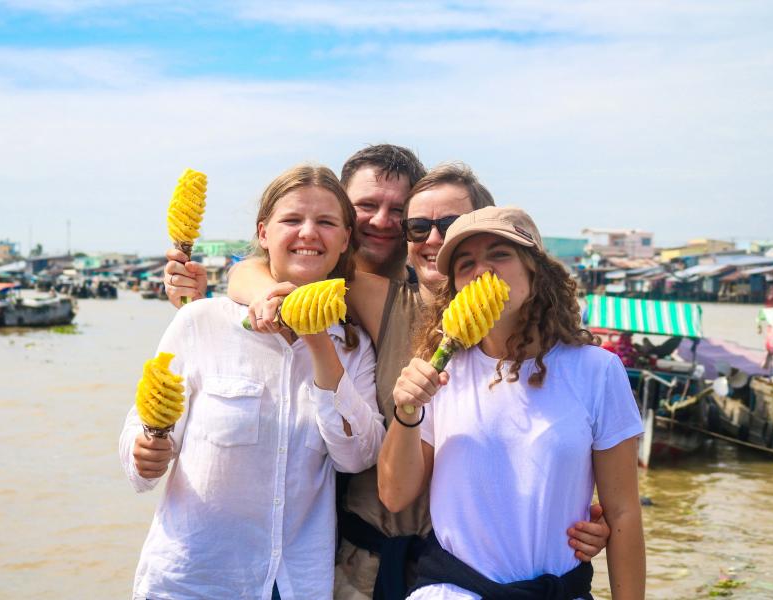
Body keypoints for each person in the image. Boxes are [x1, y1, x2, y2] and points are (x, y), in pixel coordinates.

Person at [164, 162, 612, 598]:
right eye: (417, 227)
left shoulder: (527, 340)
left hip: (474, 563)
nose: (433, 239)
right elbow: (273, 269)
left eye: (451, 225)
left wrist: (586, 513)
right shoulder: (383, 300)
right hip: (365, 555)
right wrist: (252, 293)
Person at [120, 165, 386, 600]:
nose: (308, 233)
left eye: (326, 223)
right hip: (195, 579)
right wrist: (144, 451)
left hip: (295, 582)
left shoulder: (354, 347)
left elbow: (357, 456)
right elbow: (142, 434)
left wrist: (318, 342)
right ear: (263, 233)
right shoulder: (201, 322)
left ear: (344, 239)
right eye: (291, 220)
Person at [377, 206, 646, 599]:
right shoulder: (438, 369)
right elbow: (396, 496)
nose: (482, 270)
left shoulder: (597, 370)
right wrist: (406, 413)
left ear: (536, 270)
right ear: (454, 287)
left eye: (500, 255)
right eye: (465, 263)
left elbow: (622, 512)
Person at [163, 144, 427, 299]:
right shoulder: (308, 282)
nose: (381, 221)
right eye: (367, 205)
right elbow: (245, 271)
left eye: (398, 210)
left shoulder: (426, 295)